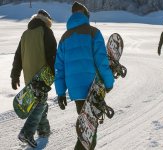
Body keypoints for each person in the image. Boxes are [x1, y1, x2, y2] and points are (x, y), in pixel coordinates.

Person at [54, 1, 114, 150]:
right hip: (92, 88)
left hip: (77, 92)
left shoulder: (64, 38)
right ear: (85, 14)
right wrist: (108, 82)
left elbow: (59, 68)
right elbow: (101, 61)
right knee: (89, 135)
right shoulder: (93, 32)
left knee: (86, 130)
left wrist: (61, 92)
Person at [10, 9, 57, 148]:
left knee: (39, 102)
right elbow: (52, 55)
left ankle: (44, 130)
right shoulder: (46, 31)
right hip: (42, 76)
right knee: (41, 103)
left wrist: (15, 76)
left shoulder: (25, 34)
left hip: (28, 76)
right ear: (46, 19)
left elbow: (18, 57)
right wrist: (56, 74)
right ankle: (27, 132)